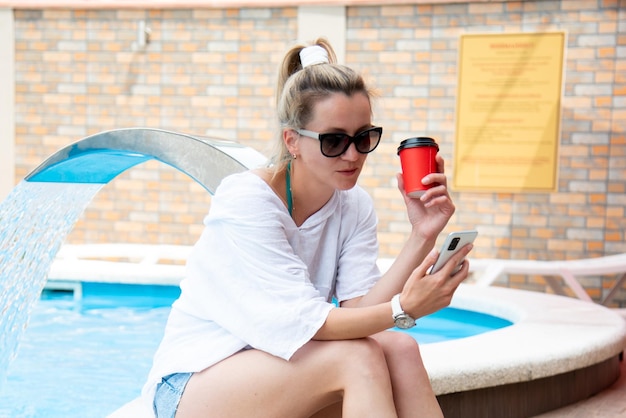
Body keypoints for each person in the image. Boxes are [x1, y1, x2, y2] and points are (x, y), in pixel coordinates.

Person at [142, 38, 472, 418]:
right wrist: (404, 308)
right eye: (334, 140)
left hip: (284, 370)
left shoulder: (353, 204)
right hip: (195, 381)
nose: (353, 155)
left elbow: (358, 309)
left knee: (400, 350)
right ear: (292, 140)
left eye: (364, 137)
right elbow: (314, 324)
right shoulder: (248, 199)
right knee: (357, 357)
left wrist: (423, 234)